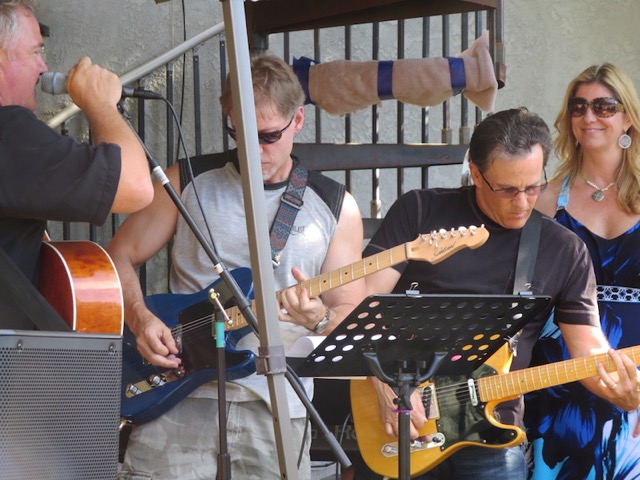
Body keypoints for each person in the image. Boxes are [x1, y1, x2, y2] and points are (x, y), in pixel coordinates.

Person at [109, 52, 364, 480]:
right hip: (176, 394)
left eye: (267, 136)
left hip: (277, 404)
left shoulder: (336, 207)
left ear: (297, 121)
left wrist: (319, 318)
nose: (253, 150)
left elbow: (348, 317)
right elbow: (117, 254)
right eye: (239, 133)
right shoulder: (187, 180)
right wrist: (139, 318)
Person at [357, 107, 640, 480]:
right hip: (404, 418)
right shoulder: (422, 211)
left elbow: (588, 350)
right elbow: (360, 306)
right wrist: (385, 381)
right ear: (475, 173)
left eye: (533, 186)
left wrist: (621, 388)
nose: (522, 202)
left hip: (494, 430)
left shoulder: (563, 249)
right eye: (507, 189)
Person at [0, 0, 153, 327]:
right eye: (34, 52)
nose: (43, 68)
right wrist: (101, 104)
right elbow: (136, 187)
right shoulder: (9, 133)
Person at [525, 63, 640, 479]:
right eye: (579, 107)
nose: (589, 117)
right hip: (561, 362)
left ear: (627, 116)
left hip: (635, 362)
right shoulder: (546, 198)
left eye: (604, 106)